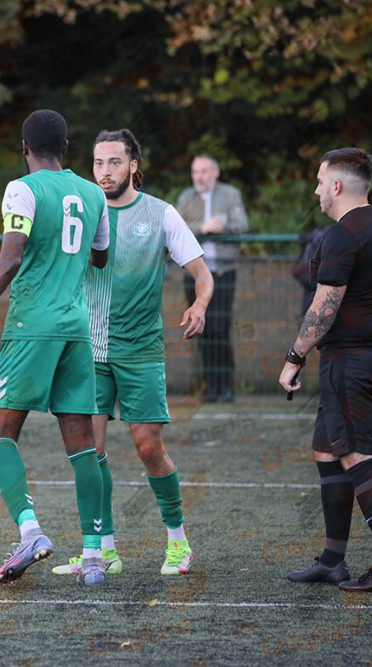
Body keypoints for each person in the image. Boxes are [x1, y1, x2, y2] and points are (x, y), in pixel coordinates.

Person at [0, 110, 111, 586]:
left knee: (1, 433)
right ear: (66, 147)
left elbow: (11, 255)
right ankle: (93, 559)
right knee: (82, 444)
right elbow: (100, 256)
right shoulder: (93, 193)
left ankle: (30, 531)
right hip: (77, 326)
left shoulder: (22, 189)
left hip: (32, 325)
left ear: (25, 148)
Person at [52, 129, 213, 580]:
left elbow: (202, 273)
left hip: (140, 350)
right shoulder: (81, 214)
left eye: (115, 162)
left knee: (148, 448)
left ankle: (179, 542)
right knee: (92, 451)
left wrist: (199, 305)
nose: (105, 172)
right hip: (89, 352)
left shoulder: (161, 214)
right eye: (99, 163)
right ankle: (103, 550)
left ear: (133, 165)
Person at [280, 147, 372, 592]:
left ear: (338, 185)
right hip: (370, 353)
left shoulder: (342, 235)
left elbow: (324, 308)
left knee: (357, 454)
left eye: (320, 181)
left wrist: (294, 356)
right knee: (328, 451)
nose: (317, 189)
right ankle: (332, 560)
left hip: (349, 357)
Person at [176, 155, 248, 402]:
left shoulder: (230, 194)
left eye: (204, 171)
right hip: (195, 275)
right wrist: (202, 228)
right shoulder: (186, 198)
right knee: (201, 330)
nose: (199, 177)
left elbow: (242, 224)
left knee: (220, 330)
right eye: (195, 171)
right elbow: (177, 229)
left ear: (215, 173)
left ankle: (226, 389)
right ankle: (211, 389)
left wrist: (222, 226)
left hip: (223, 272)